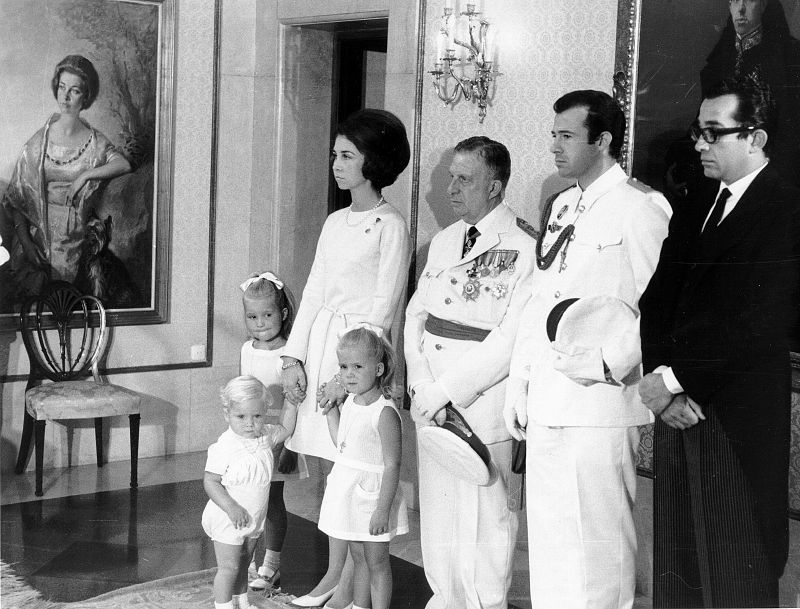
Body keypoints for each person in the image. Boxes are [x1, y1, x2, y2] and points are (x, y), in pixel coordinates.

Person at [503, 90, 671, 609]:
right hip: (550, 400)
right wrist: (520, 382)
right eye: (553, 133)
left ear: (602, 141)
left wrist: (605, 362)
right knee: (551, 544)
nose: (554, 145)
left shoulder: (640, 207)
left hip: (599, 402)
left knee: (599, 550)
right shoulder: (562, 204)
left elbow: (658, 305)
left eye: (567, 135)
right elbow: (540, 299)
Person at [639, 76, 800, 607]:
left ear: (754, 138)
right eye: (698, 131)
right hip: (678, 408)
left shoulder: (787, 208)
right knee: (679, 560)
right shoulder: (696, 200)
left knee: (739, 565)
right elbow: (658, 298)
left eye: (713, 132)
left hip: (739, 415)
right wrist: (663, 380)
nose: (700, 144)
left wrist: (677, 380)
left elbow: (761, 321)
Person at [280, 108, 410, 608]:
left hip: (357, 361)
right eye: (335, 154)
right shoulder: (335, 220)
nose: (336, 164)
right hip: (322, 347)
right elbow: (313, 290)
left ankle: (344, 589)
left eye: (347, 155)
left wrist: (347, 377)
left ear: (373, 162)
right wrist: (294, 358)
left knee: (352, 473)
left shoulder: (390, 225)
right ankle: (336, 580)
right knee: (332, 477)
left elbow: (384, 305)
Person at [404, 136, 536, 609]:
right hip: (430, 401)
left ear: (496, 186)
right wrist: (420, 384)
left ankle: (485, 604)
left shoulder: (525, 247)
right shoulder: (442, 241)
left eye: (465, 179)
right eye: (450, 178)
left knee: (488, 517)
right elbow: (415, 317)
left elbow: (511, 340)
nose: (451, 189)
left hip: (481, 402)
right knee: (439, 512)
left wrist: (444, 391)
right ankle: (445, 599)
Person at [1, 54, 132, 301]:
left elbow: (123, 164)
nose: (66, 97)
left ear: (86, 96)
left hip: (77, 237)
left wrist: (85, 176)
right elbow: (17, 197)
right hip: (40, 239)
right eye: (62, 87)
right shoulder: (39, 142)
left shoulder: (95, 142)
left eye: (75, 91)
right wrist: (27, 244)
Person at [318, 325, 408, 609]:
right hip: (349, 493)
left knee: (377, 561)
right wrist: (331, 411)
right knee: (357, 558)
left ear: (379, 369)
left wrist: (383, 509)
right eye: (344, 366)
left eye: (358, 366)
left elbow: (393, 465)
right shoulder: (352, 403)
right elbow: (342, 445)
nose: (349, 374)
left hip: (372, 498)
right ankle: (359, 605)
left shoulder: (384, 413)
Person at [236, 272, 308, 592]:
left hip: (279, 434)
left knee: (272, 500)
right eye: (252, 316)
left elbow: (293, 400)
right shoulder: (246, 349)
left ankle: (271, 565)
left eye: (267, 315)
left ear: (282, 314)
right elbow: (243, 391)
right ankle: (249, 561)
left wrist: (284, 435)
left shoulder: (289, 355)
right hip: (251, 434)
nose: (260, 323)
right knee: (251, 497)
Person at [202, 375, 299, 609]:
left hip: (253, 518)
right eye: (241, 416)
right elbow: (211, 482)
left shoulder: (265, 436)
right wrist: (231, 508)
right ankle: (223, 606)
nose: (250, 423)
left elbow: (286, 428)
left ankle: (242, 603)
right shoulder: (224, 446)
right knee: (229, 568)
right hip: (228, 517)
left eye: (257, 416)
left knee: (244, 565)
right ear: (227, 414)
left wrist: (292, 403)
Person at [700, 0, 800, 185]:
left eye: (750, 1)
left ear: (763, 6)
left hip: (772, 165)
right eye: (735, 1)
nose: (741, 9)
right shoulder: (717, 64)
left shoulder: (790, 58)